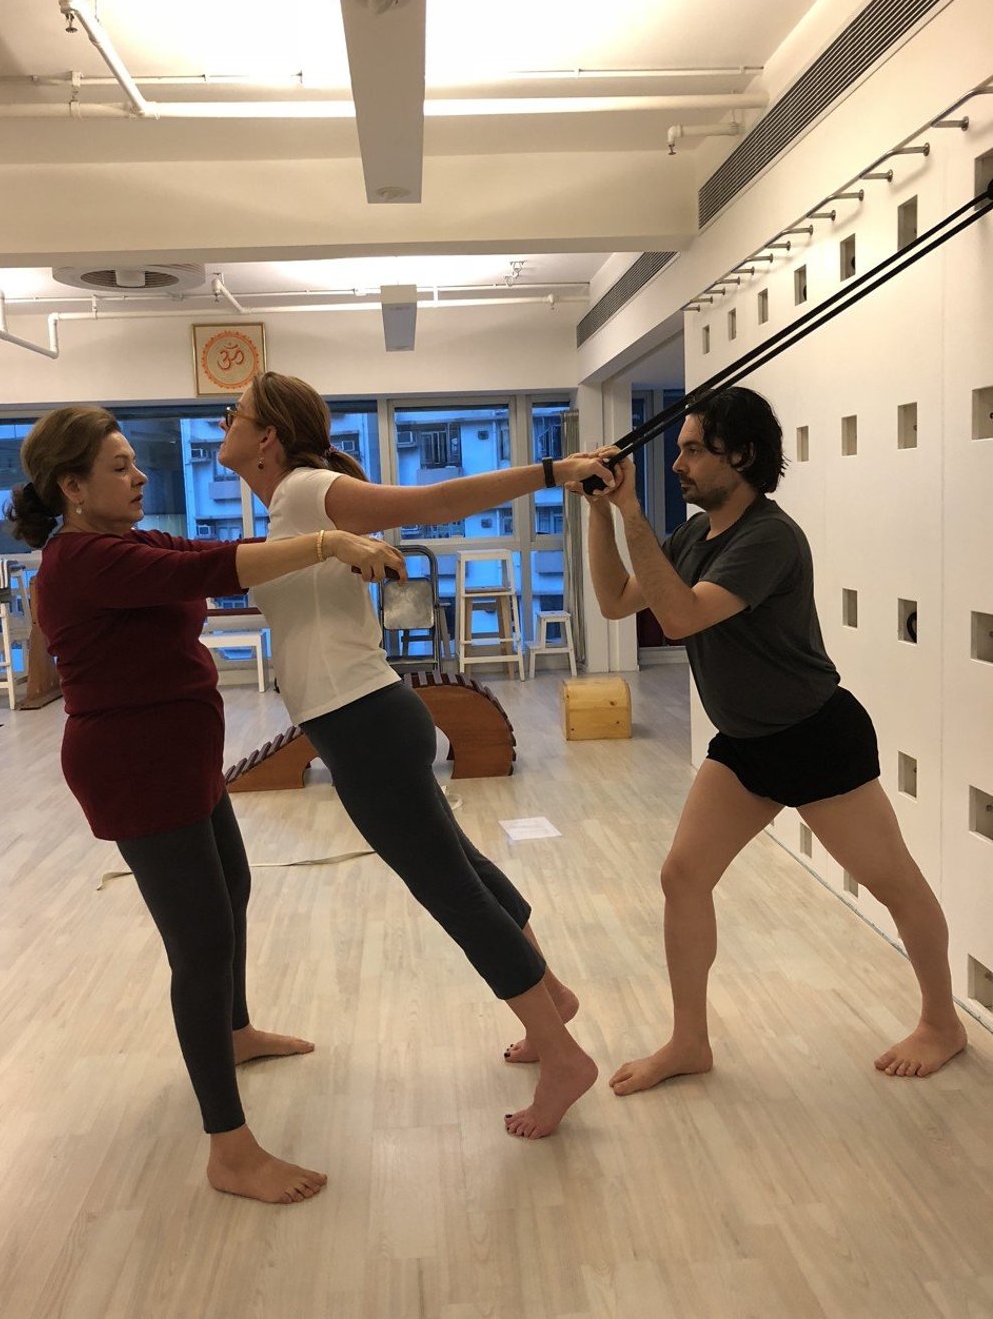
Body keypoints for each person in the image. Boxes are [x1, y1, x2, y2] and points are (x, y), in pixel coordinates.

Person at [7, 403, 407, 1204]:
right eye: (118, 465)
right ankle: (229, 1148)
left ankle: (234, 1031)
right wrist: (331, 539)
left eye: (132, 461)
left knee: (233, 889)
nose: (139, 473)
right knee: (201, 940)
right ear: (71, 487)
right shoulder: (80, 560)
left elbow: (221, 551)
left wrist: (314, 547)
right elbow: (205, 574)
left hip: (179, 754)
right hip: (135, 766)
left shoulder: (127, 541)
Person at [218, 371, 617, 1138]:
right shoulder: (288, 503)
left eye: (233, 414)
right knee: (463, 868)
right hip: (363, 716)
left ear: (266, 436)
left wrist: (552, 472)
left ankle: (565, 1056)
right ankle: (551, 1004)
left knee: (450, 890)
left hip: (362, 720)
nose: (222, 426)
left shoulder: (306, 489)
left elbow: (433, 503)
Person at [575, 386, 966, 1096]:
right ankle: (689, 1040)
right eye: (680, 449)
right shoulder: (696, 537)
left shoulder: (770, 537)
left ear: (743, 455)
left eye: (694, 449)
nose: (678, 464)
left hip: (816, 738)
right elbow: (615, 601)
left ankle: (942, 1021)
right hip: (747, 742)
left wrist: (631, 512)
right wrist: (601, 513)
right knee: (683, 875)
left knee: (893, 882)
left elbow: (684, 615)